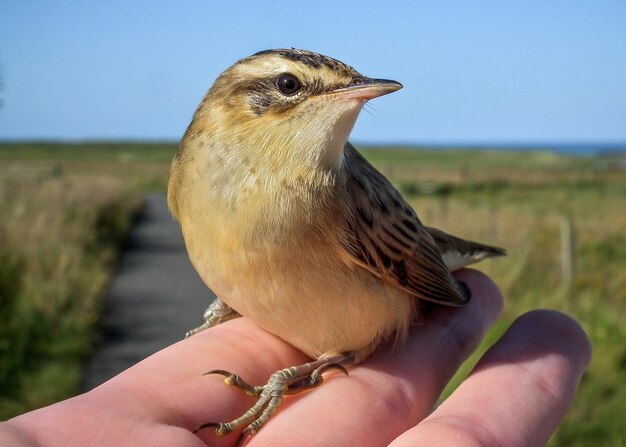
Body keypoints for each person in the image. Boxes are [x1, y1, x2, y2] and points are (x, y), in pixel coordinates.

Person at [0, 270, 591, 446]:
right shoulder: (189, 175)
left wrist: (289, 373)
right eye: (291, 87)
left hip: (376, 299)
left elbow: (408, 270)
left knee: (360, 345)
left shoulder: (332, 188)